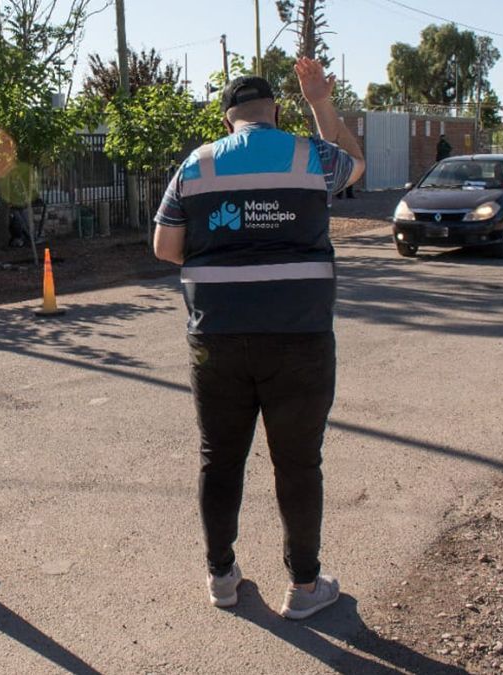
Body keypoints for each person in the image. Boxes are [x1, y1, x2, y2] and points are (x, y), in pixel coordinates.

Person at [152, 58, 365, 619]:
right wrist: (320, 102)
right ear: (274, 112)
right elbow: (356, 167)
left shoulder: (194, 167)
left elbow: (165, 249)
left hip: (217, 337)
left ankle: (221, 576)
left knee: (219, 460)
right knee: (298, 463)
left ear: (228, 122)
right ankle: (304, 586)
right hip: (300, 336)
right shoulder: (308, 154)